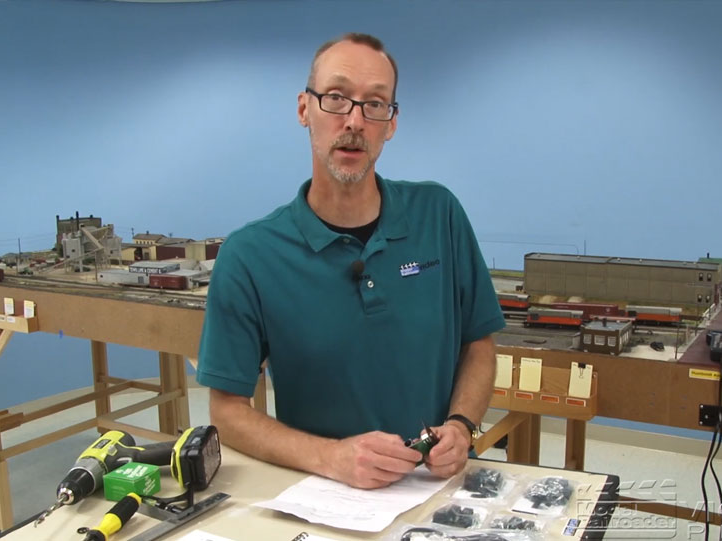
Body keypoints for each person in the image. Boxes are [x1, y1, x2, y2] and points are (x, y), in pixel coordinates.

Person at [196, 33, 505, 489]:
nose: (355, 121)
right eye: (336, 98)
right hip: (324, 494)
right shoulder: (250, 256)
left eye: (375, 104)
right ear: (305, 109)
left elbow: (478, 345)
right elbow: (227, 411)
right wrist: (332, 458)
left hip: (433, 488)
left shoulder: (439, 215)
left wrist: (461, 426)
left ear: (391, 123)